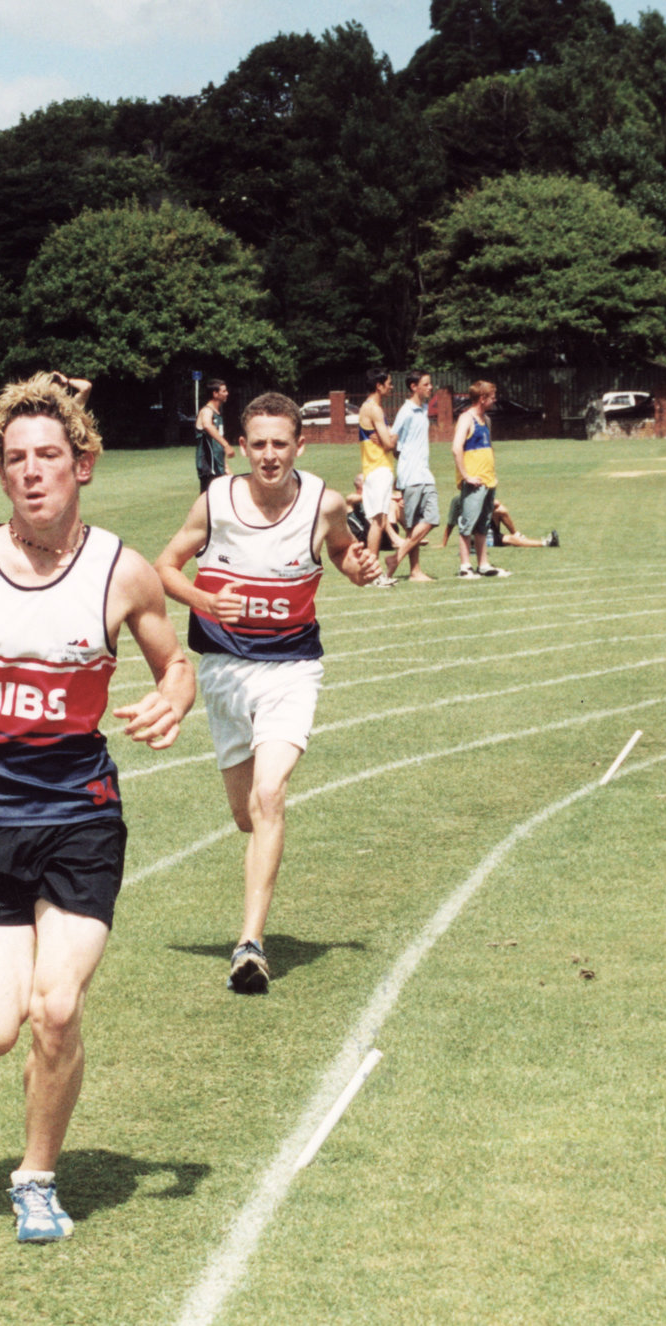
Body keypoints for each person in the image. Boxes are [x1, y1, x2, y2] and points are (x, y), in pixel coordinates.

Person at [0, 370, 194, 1244]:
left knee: (55, 1006)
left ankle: (36, 1176)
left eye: (47, 455)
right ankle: (28, 1092)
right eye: (13, 458)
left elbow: (173, 660)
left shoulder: (121, 572)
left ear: (81, 464)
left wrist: (178, 688)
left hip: (78, 817)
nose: (29, 472)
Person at [153, 391, 381, 995]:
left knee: (270, 793)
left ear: (299, 446)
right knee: (244, 815)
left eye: (281, 444)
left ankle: (249, 944)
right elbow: (165, 567)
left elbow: (342, 558)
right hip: (225, 670)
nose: (270, 456)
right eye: (259, 444)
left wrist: (361, 568)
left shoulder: (323, 504)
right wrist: (204, 600)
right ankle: (260, 873)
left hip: (292, 669)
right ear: (242, 446)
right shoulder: (218, 500)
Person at [385, 370, 439, 582]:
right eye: (426, 384)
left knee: (431, 519)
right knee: (412, 525)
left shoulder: (424, 409)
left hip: (425, 474)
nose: (430, 387)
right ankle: (415, 571)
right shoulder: (405, 411)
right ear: (414, 387)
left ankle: (396, 558)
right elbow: (393, 441)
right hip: (411, 476)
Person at [452, 379, 508, 578]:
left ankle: (483, 564)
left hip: (488, 481)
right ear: (482, 398)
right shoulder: (467, 418)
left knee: (483, 524)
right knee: (467, 523)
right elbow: (456, 447)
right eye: (492, 397)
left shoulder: (486, 420)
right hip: (474, 482)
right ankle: (465, 567)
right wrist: (466, 476)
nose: (495, 400)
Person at [354, 369, 399, 584]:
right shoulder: (374, 409)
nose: (391, 386)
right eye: (388, 383)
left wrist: (388, 440)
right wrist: (394, 438)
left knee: (379, 520)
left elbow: (385, 441)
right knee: (378, 521)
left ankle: (374, 573)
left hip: (376, 469)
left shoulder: (369, 408)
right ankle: (373, 574)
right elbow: (389, 444)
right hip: (378, 469)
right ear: (379, 386)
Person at [195, 379, 234, 492]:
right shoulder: (206, 411)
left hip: (217, 467)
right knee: (208, 502)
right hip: (208, 467)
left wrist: (226, 467)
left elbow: (216, 445)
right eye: (224, 391)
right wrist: (226, 445)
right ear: (215, 394)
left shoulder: (217, 414)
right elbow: (207, 425)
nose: (227, 393)